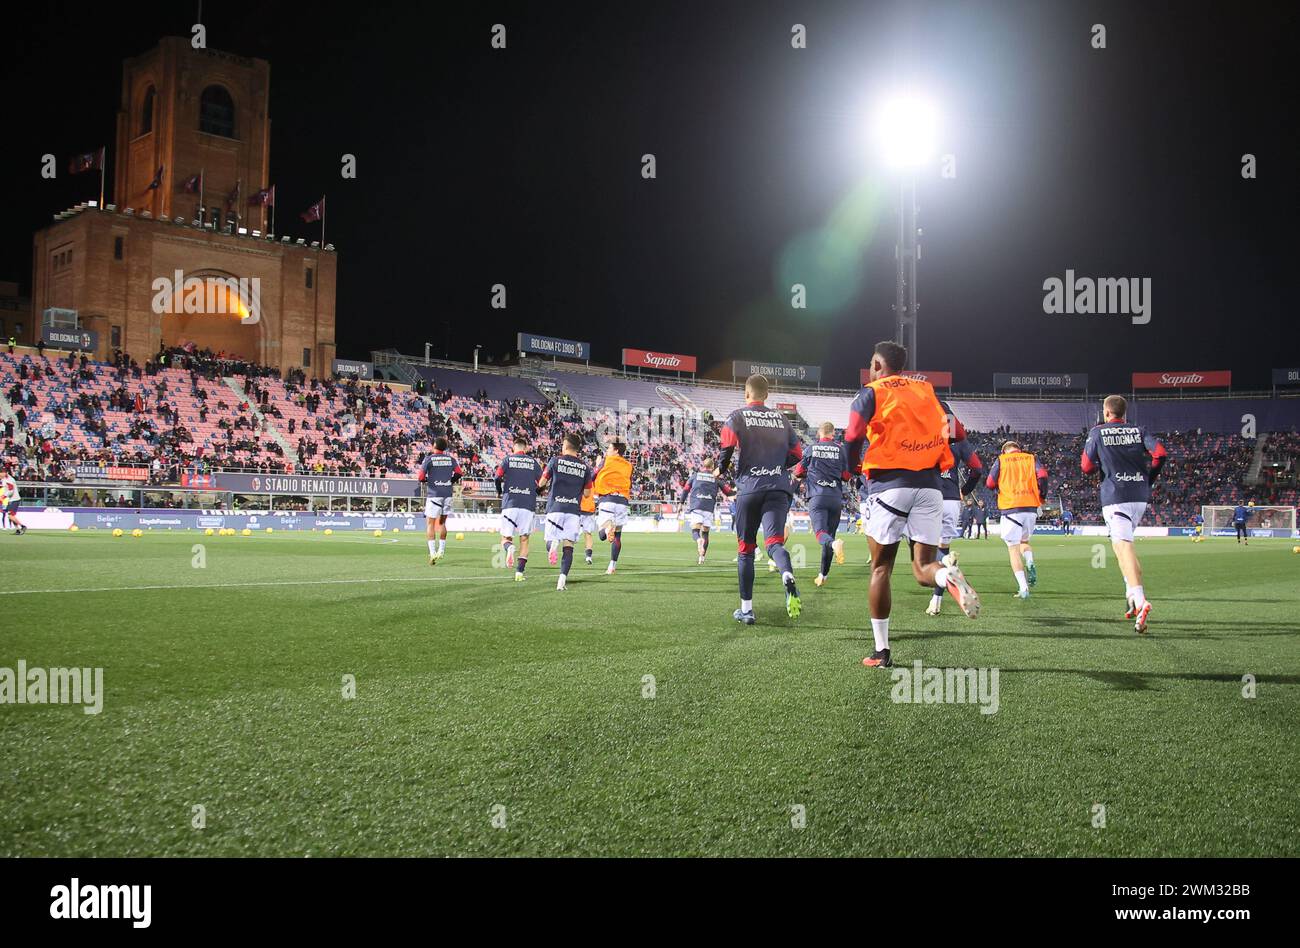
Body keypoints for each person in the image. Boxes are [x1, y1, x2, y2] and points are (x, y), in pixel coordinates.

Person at [844, 342, 980, 669]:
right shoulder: (927, 393)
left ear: (878, 364)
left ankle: (881, 651)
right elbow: (958, 433)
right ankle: (947, 576)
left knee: (881, 569)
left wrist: (853, 468)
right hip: (931, 488)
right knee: (923, 569)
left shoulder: (871, 393)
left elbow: (852, 436)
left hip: (890, 487)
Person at [717, 374, 803, 625]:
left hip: (750, 489)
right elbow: (798, 454)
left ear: (746, 394)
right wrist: (778, 465)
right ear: (767, 395)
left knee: (746, 550)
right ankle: (786, 574)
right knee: (775, 543)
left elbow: (727, 445)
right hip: (778, 488)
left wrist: (720, 469)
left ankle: (747, 610)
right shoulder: (782, 419)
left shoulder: (737, 416)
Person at [1081, 394, 1167, 633]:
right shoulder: (1139, 430)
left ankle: (1140, 601)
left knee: (1123, 547)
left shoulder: (1098, 432)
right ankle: (1131, 594)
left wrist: (1103, 464)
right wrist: (1149, 478)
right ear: (1125, 414)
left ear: (1106, 413)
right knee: (1125, 547)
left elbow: (1086, 467)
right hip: (1139, 496)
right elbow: (1160, 453)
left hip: (1115, 496)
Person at [924, 423, 983, 615]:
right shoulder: (957, 442)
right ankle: (936, 601)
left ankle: (946, 572)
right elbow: (977, 469)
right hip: (951, 500)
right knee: (943, 550)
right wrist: (965, 490)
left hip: (928, 497)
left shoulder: (923, 433)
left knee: (923, 555)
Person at [791, 421, 850, 587]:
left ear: (819, 434)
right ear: (833, 434)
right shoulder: (840, 450)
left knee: (821, 535)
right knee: (828, 536)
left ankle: (834, 544)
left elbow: (798, 471)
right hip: (835, 498)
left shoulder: (811, 449)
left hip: (817, 496)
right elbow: (846, 476)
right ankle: (822, 576)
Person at [986, 440, 1048, 599]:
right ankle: (1030, 561)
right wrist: (1042, 494)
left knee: (1013, 550)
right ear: (1018, 449)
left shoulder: (1002, 460)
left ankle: (1023, 587)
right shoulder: (1031, 458)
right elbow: (1042, 475)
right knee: (1024, 542)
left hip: (1011, 508)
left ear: (1004, 450)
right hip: (1031, 507)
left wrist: (999, 488)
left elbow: (990, 482)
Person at [536, 432, 594, 591]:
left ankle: (553, 544)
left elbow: (542, 482)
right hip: (573, 511)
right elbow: (588, 494)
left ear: (566, 445)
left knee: (550, 540)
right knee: (569, 546)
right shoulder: (584, 467)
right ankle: (562, 580)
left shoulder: (555, 461)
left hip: (555, 508)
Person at [495, 433, 542, 582]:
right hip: (527, 505)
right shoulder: (533, 463)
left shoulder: (507, 460)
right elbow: (542, 482)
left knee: (505, 538)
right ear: (526, 448)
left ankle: (509, 547)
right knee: (524, 539)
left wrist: (499, 492)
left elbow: (497, 477)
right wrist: (536, 492)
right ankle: (519, 573)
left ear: (514, 447)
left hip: (510, 504)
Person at [417, 437, 461, 565]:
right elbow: (459, 473)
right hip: (447, 494)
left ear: (434, 446)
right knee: (442, 523)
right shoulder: (451, 459)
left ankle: (432, 553)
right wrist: (449, 482)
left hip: (434, 495)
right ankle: (441, 551)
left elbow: (420, 477)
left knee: (430, 524)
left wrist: (428, 481)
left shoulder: (429, 459)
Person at [592, 439, 633, 575]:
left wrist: (597, 465)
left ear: (616, 450)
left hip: (607, 499)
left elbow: (593, 475)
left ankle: (608, 527)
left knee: (602, 535)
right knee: (618, 536)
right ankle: (612, 566)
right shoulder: (628, 465)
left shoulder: (606, 460)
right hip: (622, 502)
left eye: (609, 448)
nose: (607, 451)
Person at [681, 457, 732, 564]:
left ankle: (698, 541)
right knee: (705, 533)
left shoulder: (695, 476)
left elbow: (686, 489)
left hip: (696, 506)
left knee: (695, 531)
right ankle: (702, 557)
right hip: (709, 508)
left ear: (703, 466)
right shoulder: (715, 478)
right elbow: (727, 491)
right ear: (712, 466)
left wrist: (681, 503)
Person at [1, 466, 26, 535]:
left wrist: (3, 496)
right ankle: (17, 529)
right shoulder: (5, 479)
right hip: (11, 499)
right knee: (11, 516)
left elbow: (11, 490)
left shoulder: (9, 480)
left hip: (14, 499)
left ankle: (22, 526)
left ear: (4, 473)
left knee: (10, 516)